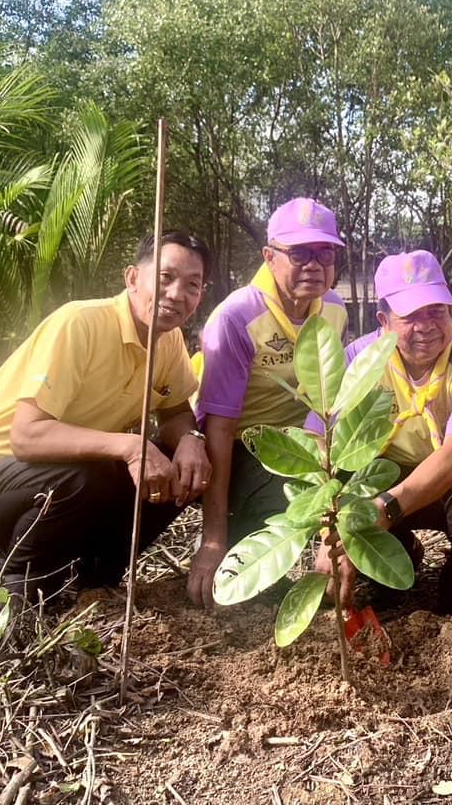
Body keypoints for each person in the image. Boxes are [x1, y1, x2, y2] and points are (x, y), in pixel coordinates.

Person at [0, 232, 212, 619]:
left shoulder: (169, 342)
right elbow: (27, 436)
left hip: (65, 478)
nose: (176, 294)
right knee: (89, 474)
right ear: (133, 278)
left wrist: (190, 438)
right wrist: (131, 446)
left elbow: (175, 411)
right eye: (165, 278)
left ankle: (95, 580)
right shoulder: (80, 323)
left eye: (192, 285)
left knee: (173, 465)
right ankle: (13, 589)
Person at [316, 250, 452, 625]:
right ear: (384, 322)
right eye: (410, 316)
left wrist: (385, 510)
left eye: (436, 311)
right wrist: (331, 526)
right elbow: (317, 435)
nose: (426, 326)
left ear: (451, 312)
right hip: (381, 472)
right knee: (346, 472)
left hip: (443, 477)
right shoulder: (359, 359)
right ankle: (395, 562)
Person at [187, 198, 347, 609]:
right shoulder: (236, 317)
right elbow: (218, 429)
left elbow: (330, 395)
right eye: (299, 253)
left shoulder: (333, 308)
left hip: (305, 441)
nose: (314, 265)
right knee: (279, 507)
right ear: (269, 257)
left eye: (324, 252)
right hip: (244, 445)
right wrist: (213, 539)